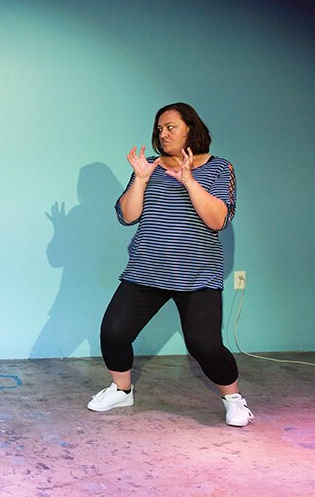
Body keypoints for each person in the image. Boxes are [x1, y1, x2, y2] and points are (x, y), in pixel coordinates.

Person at [87, 102, 254, 427]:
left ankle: (233, 398)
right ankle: (122, 390)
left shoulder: (219, 168)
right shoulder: (148, 167)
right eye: (160, 128)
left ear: (191, 128)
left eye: (171, 127)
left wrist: (190, 180)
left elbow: (218, 220)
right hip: (146, 269)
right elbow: (127, 215)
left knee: (204, 345)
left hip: (197, 274)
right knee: (114, 332)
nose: (163, 134)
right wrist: (139, 179)